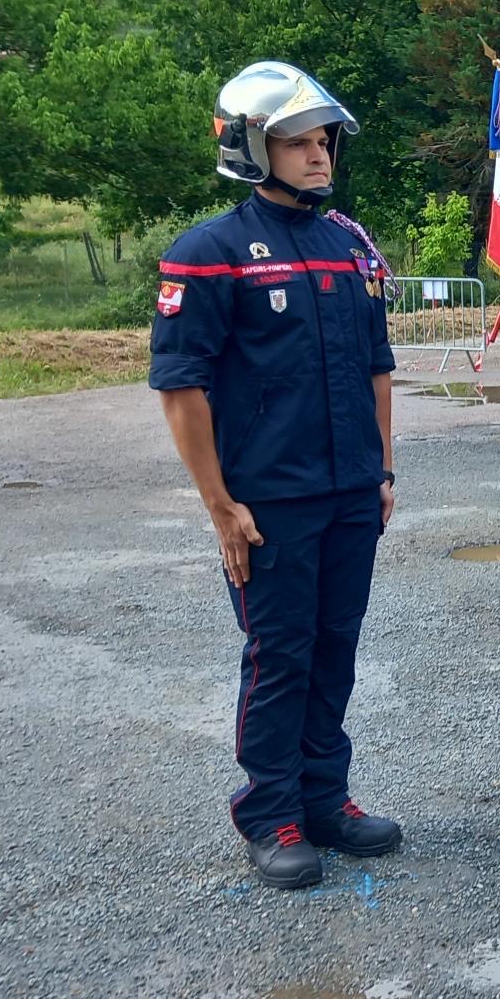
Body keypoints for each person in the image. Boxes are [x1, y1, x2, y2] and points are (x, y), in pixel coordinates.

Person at [150, 61, 404, 890]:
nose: (319, 153)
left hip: (349, 492)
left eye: (324, 139)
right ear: (251, 145)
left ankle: (325, 800)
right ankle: (271, 813)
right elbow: (181, 388)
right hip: (269, 502)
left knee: (335, 649)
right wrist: (219, 505)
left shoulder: (348, 247)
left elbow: (376, 366)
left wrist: (382, 469)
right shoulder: (209, 253)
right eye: (299, 141)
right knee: (281, 655)